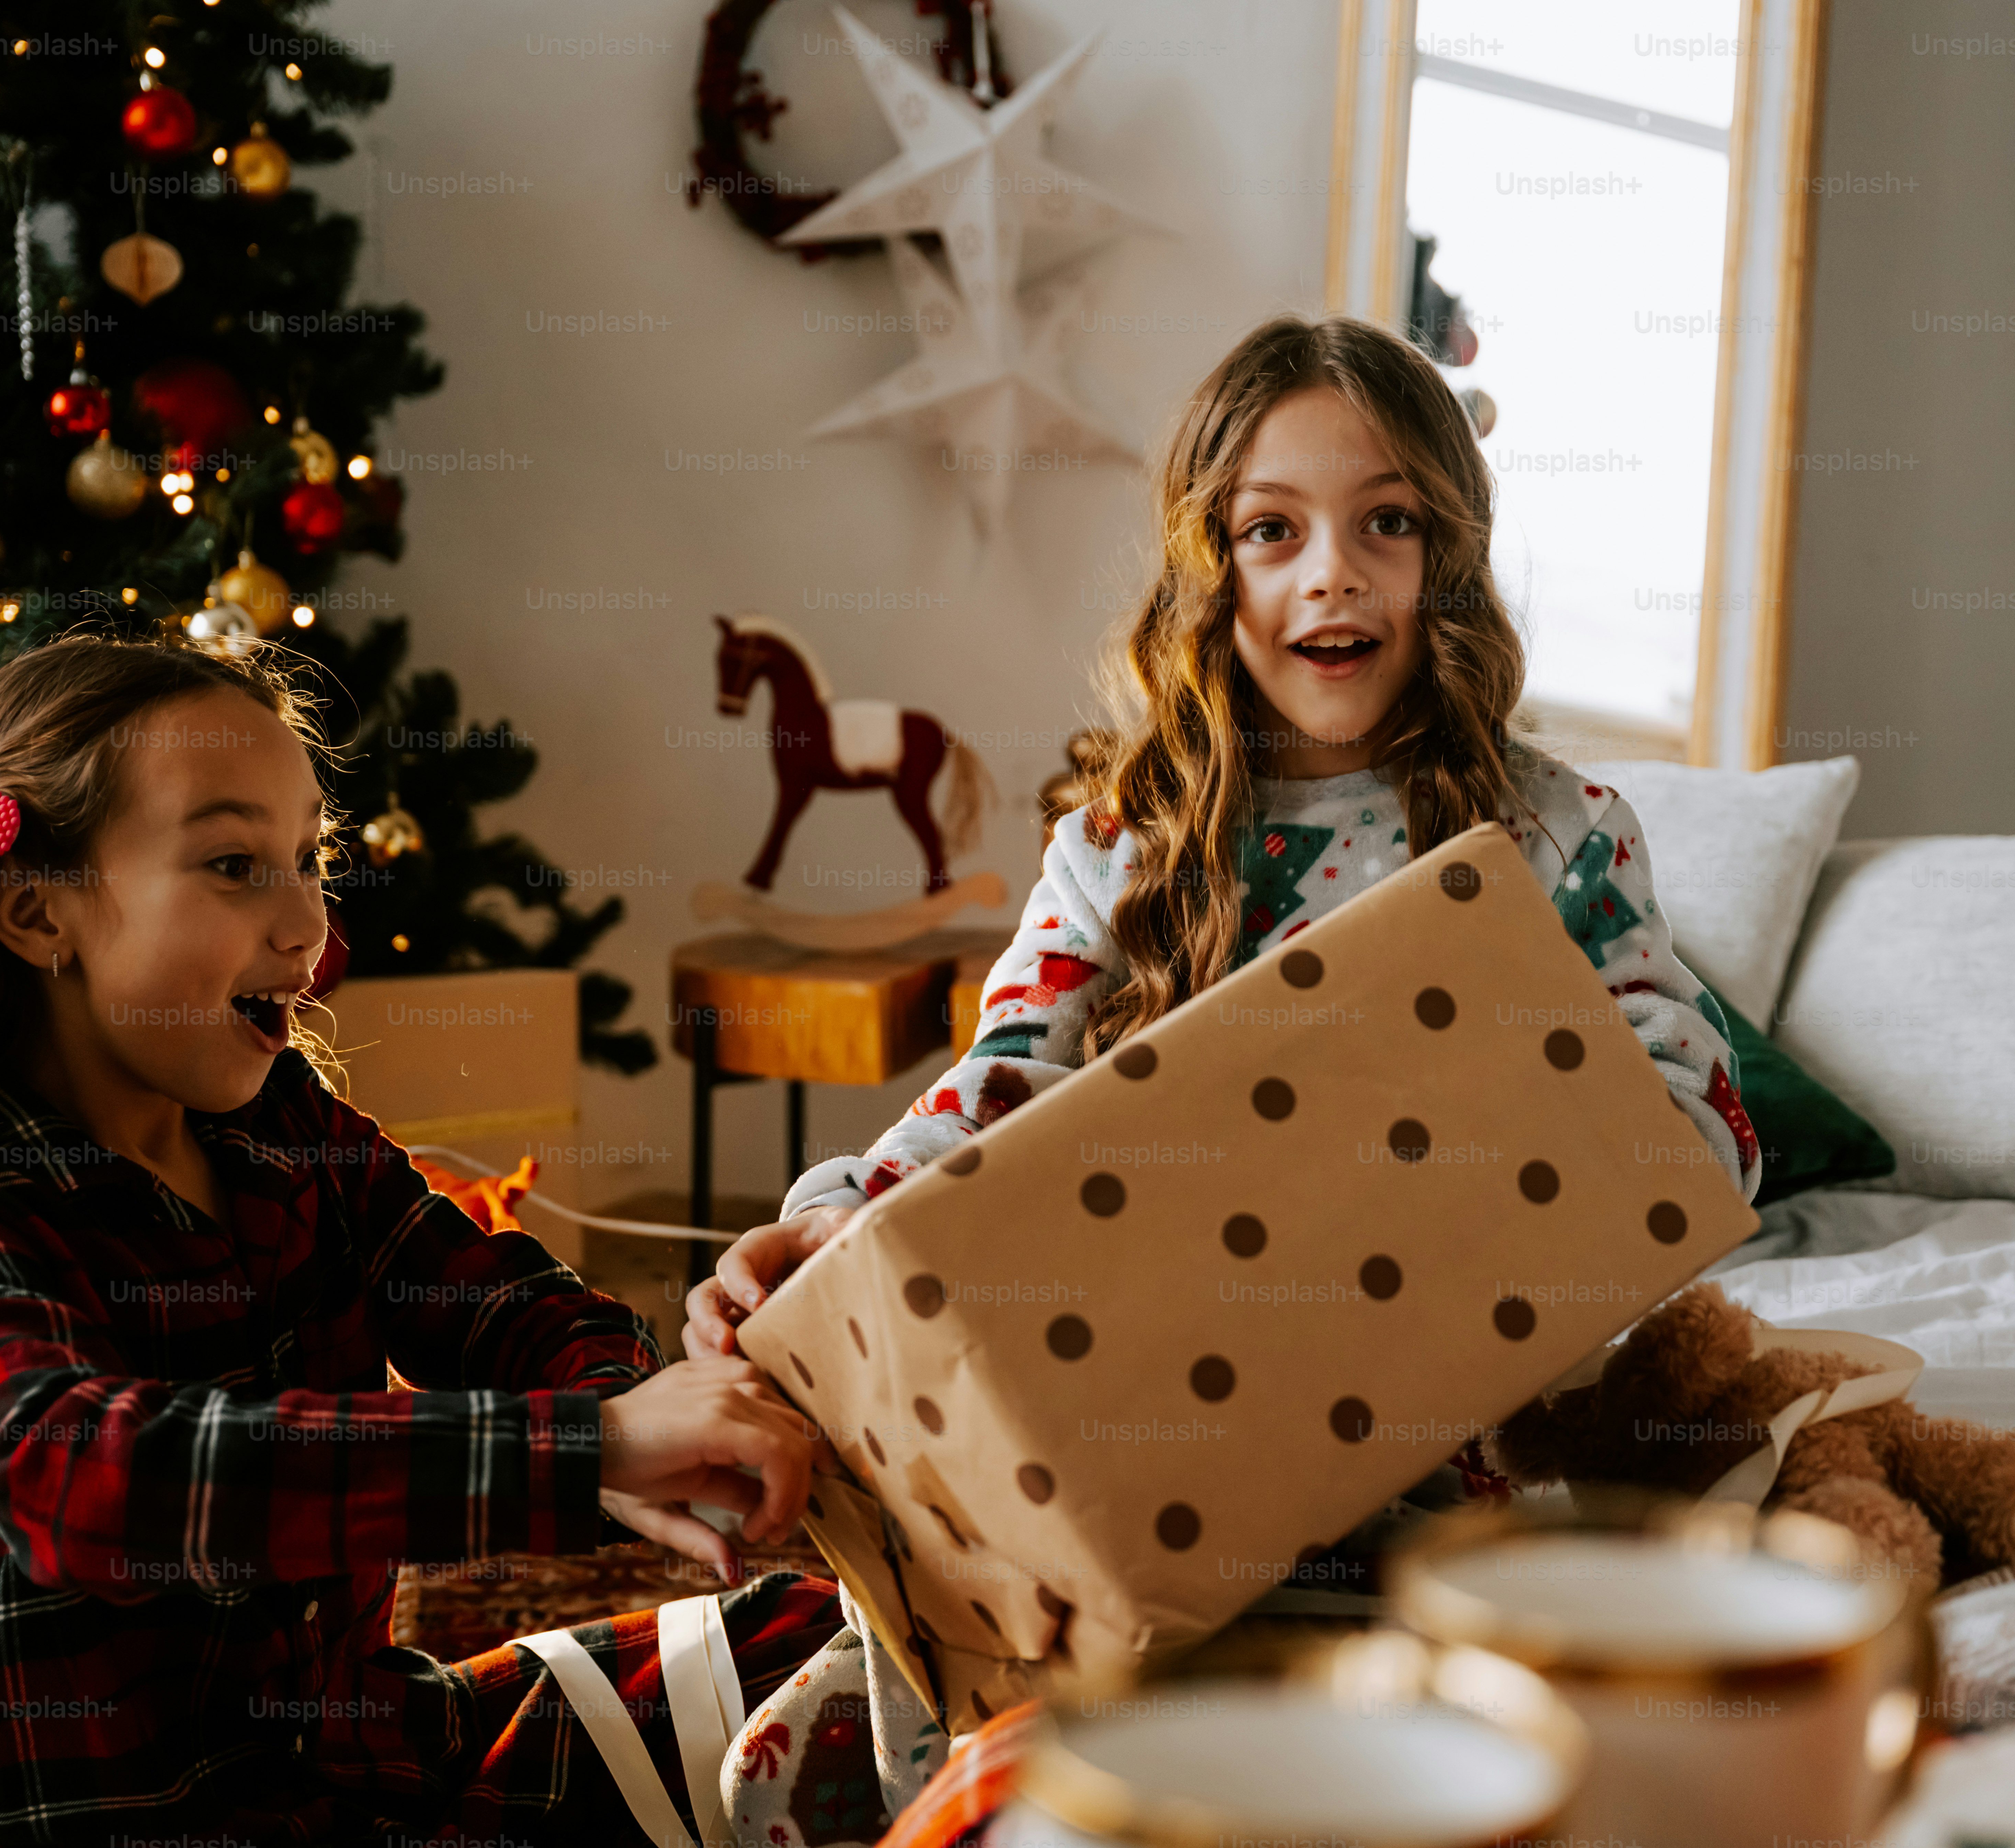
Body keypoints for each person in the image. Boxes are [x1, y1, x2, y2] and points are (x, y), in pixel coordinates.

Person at [0, 634, 835, 1848]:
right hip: (121, 1825)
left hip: (362, 1758)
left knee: (817, 1650)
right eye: (233, 865)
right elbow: (82, 1477)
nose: (307, 920)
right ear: (35, 910)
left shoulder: (282, 1124)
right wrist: (592, 1446)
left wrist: (653, 1414)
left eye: (309, 858)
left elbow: (485, 1294)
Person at [688, 311, 1761, 1365]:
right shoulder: (1117, 848)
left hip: (1449, 1396)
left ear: (1451, 553)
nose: (1332, 572)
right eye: (1272, 530)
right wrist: (844, 1212)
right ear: (1212, 571)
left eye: (1388, 521)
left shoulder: (1560, 839)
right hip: (1164, 1382)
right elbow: (1000, 1084)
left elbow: (1693, 1123)